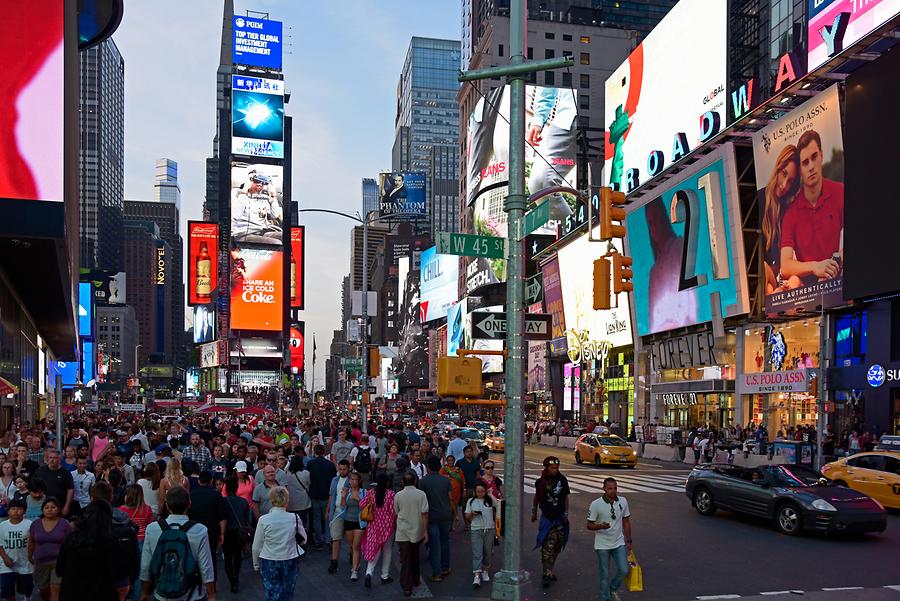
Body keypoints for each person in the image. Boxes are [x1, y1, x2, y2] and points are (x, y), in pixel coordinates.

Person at [779, 129, 844, 287]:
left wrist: (834, 265)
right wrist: (816, 267)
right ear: (800, 170)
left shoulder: (841, 192)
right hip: (806, 293)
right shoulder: (791, 213)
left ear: (821, 155)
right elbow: (785, 266)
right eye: (805, 162)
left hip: (839, 282)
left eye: (814, 157)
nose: (811, 167)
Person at [139, 486, 215, 601]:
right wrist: (211, 594)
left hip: (161, 593)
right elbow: (206, 567)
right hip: (192, 594)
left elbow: (145, 565)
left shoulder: (152, 529)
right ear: (189, 504)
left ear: (167, 506)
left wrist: (145, 592)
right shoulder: (200, 530)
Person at [56, 499, 118, 601]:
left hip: (72, 592)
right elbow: (117, 572)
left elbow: (59, 569)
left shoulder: (72, 539)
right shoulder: (111, 541)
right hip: (102, 593)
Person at [761, 145, 803, 293]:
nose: (784, 185)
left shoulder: (789, 209)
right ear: (777, 169)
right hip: (765, 277)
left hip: (783, 280)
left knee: (790, 282)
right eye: (784, 174)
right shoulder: (759, 200)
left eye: (791, 181)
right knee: (764, 273)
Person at [251, 486, 304, 601]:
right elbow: (303, 538)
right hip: (290, 558)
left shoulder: (264, 519)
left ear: (271, 500)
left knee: (272, 592)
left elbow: (256, 546)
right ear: (286, 500)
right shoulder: (294, 517)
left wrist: (256, 564)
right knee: (288, 592)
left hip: (269, 559)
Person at [588, 478, 633, 601]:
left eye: (615, 488)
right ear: (604, 488)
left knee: (624, 569)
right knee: (605, 575)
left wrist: (629, 541)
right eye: (610, 488)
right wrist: (600, 526)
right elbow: (589, 525)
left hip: (619, 542)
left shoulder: (623, 501)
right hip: (602, 545)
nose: (613, 491)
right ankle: (605, 598)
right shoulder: (596, 504)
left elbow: (626, 521)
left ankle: (612, 588)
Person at [532, 456, 570, 587]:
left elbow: (565, 497)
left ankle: (549, 570)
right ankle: (545, 573)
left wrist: (566, 513)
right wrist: (534, 511)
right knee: (547, 546)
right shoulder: (541, 482)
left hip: (560, 518)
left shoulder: (562, 480)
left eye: (557, 468)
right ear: (547, 468)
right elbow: (537, 497)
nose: (555, 470)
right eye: (552, 468)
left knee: (557, 546)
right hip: (547, 519)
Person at [28, 497, 70, 601]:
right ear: (42, 510)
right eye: (46, 507)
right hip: (41, 561)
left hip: (59, 561)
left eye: (53, 507)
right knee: (43, 589)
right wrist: (30, 557)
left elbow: (70, 543)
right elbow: (31, 542)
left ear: (58, 509)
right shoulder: (36, 524)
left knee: (56, 588)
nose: (50, 509)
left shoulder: (64, 523)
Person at [394, 471, 429, 597]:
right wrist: (425, 531)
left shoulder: (398, 495)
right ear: (415, 481)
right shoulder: (421, 494)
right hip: (418, 529)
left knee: (405, 559)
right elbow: (425, 514)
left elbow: (396, 511)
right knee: (415, 555)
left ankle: (407, 585)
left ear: (403, 482)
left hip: (403, 530)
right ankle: (415, 578)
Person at [188, 471, 227, 578]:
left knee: (195, 557)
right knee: (211, 558)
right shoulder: (216, 495)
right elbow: (222, 517)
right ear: (211, 481)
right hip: (212, 532)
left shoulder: (191, 495)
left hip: (194, 531)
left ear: (199, 481)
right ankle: (211, 582)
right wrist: (222, 534)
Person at [360, 473, 396, 588]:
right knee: (387, 550)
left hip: (373, 526)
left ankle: (369, 572)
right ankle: (384, 575)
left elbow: (361, 504)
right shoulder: (391, 494)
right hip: (388, 526)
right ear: (388, 483)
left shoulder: (371, 493)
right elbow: (393, 511)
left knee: (375, 549)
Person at [118, 485, 153, 600]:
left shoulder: (122, 510)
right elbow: (149, 527)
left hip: (126, 543)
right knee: (140, 571)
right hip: (143, 541)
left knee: (126, 570)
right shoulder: (147, 509)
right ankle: (138, 596)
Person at [419, 456, 451, 582]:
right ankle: (445, 566)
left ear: (428, 467)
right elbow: (450, 498)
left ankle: (437, 572)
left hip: (431, 515)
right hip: (445, 514)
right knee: (445, 541)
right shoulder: (445, 480)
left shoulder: (423, 481)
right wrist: (455, 513)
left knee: (434, 544)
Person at [222, 477, 252, 594]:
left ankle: (232, 581)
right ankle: (236, 577)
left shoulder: (223, 501)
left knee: (228, 557)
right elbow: (246, 520)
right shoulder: (243, 502)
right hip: (240, 532)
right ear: (236, 488)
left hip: (227, 532)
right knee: (237, 555)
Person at [465, 481, 496, 589]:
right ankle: (477, 575)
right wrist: (472, 514)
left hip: (489, 529)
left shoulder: (489, 500)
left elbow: (498, 505)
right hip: (476, 529)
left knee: (487, 551)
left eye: (482, 491)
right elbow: (467, 516)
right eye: (478, 491)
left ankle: (485, 570)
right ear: (475, 492)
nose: (480, 493)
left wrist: (491, 494)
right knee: (477, 552)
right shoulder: (471, 501)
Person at [0, 498, 33, 601]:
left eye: (19, 509)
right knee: (7, 589)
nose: (16, 511)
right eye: (13, 509)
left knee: (26, 589)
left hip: (25, 563)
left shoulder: (29, 524)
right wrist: (5, 558)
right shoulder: (2, 526)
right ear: (8, 511)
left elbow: (33, 543)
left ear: (24, 511)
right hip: (7, 564)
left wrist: (31, 557)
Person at [305, 445, 335, 549]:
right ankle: (328, 539)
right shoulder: (330, 464)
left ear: (315, 452)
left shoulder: (310, 464)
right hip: (326, 494)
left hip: (314, 494)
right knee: (327, 518)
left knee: (316, 518)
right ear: (323, 452)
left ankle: (318, 540)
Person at [339, 472, 366, 581]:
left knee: (356, 546)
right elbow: (342, 506)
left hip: (360, 522)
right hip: (348, 520)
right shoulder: (348, 491)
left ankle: (354, 570)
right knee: (351, 545)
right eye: (351, 479)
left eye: (354, 479)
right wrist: (344, 497)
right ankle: (356, 563)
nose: (352, 481)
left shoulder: (364, 492)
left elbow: (367, 507)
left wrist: (358, 499)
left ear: (359, 481)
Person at [326, 460, 351, 574]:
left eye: (344, 469)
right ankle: (334, 561)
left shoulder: (352, 480)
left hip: (350, 512)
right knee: (336, 538)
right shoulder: (334, 480)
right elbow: (331, 496)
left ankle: (352, 554)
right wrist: (328, 510)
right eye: (340, 469)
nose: (342, 471)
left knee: (351, 538)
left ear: (348, 468)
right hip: (336, 511)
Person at [284, 456, 311, 534]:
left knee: (292, 524)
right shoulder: (306, 473)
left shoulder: (286, 474)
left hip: (291, 503)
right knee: (302, 523)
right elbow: (308, 484)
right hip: (303, 502)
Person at [456, 446, 482, 525]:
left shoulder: (476, 462)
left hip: (473, 486)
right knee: (464, 505)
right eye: (467, 451)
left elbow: (478, 474)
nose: (469, 453)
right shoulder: (459, 462)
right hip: (464, 488)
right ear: (464, 453)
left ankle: (472, 521)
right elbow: (456, 475)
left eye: (470, 451)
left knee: (474, 504)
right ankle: (466, 523)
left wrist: (477, 485)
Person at [440, 455, 465, 531]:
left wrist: (464, 490)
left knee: (454, 509)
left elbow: (462, 480)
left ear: (454, 461)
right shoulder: (444, 469)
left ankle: (452, 525)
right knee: (447, 509)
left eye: (452, 460)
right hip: (446, 493)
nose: (451, 462)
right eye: (449, 460)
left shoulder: (458, 469)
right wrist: (449, 474)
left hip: (456, 492)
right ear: (447, 461)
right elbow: (440, 476)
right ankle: (447, 525)